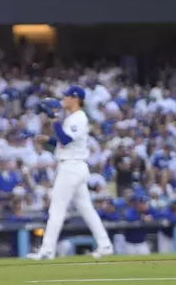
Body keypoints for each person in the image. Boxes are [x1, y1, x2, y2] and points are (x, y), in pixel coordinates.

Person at [28, 87, 113, 260]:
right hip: (75, 166)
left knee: (56, 210)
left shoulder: (79, 117)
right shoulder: (73, 118)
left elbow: (66, 140)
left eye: (67, 96)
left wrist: (53, 118)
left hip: (71, 168)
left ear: (76, 98)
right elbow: (65, 141)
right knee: (87, 209)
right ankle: (105, 245)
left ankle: (47, 251)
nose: (64, 98)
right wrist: (49, 139)